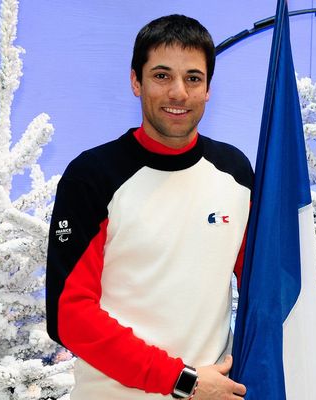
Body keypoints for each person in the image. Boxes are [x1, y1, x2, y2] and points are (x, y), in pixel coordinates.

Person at [46, 14, 251, 400]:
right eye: (161, 76)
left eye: (193, 78)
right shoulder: (92, 176)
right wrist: (182, 381)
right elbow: (69, 316)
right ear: (135, 81)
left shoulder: (235, 172)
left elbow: (265, 290)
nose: (179, 92)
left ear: (208, 89)